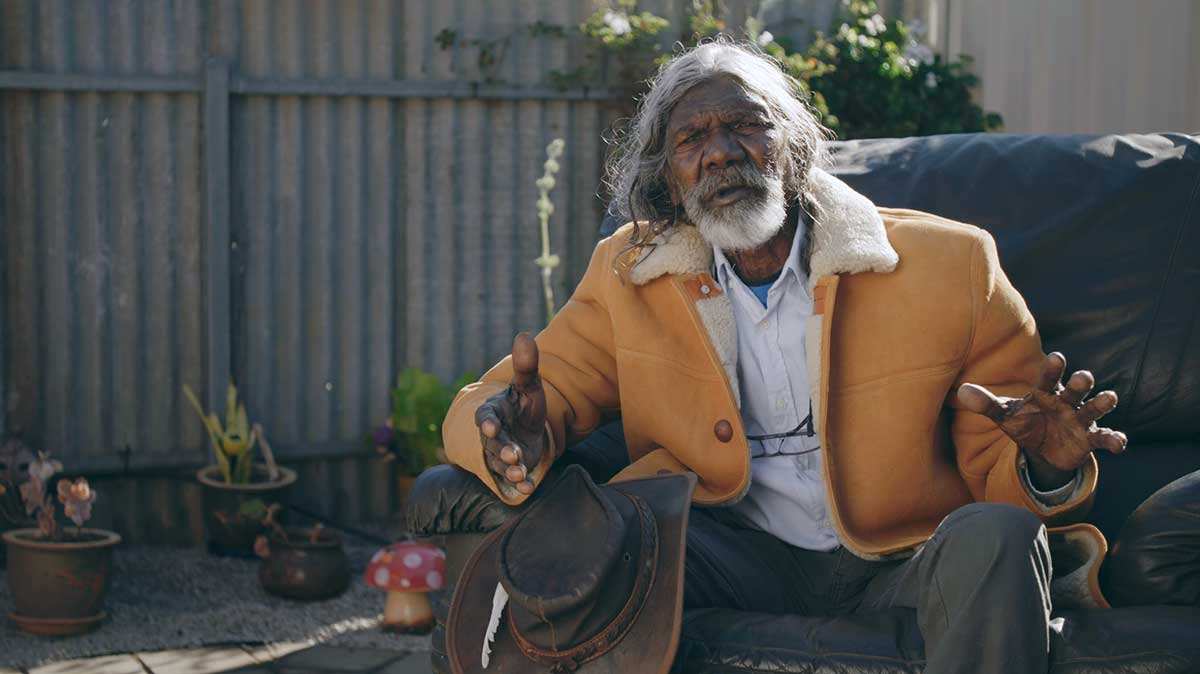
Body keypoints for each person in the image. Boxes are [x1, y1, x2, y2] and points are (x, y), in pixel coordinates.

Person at [441, 40, 1127, 674]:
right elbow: (512, 398)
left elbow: (998, 462)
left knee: (1000, 534)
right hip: (723, 554)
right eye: (691, 138)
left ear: (794, 148)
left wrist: (1044, 466)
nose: (719, 153)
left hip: (900, 557)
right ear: (668, 177)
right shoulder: (627, 275)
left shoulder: (952, 263)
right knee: (604, 534)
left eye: (746, 125)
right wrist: (510, 436)